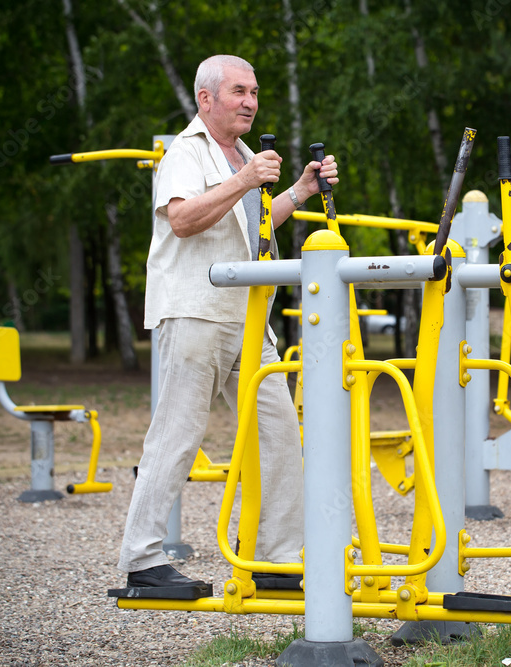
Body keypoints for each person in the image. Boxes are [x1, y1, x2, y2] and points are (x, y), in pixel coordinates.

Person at [115, 54, 338, 592]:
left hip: (248, 316)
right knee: (178, 433)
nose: (251, 102)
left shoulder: (242, 154)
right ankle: (142, 560)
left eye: (255, 93)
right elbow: (185, 220)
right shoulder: (185, 153)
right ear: (206, 99)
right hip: (194, 310)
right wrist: (245, 178)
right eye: (239, 91)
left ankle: (274, 558)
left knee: (280, 431)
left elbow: (248, 222)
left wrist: (298, 192)